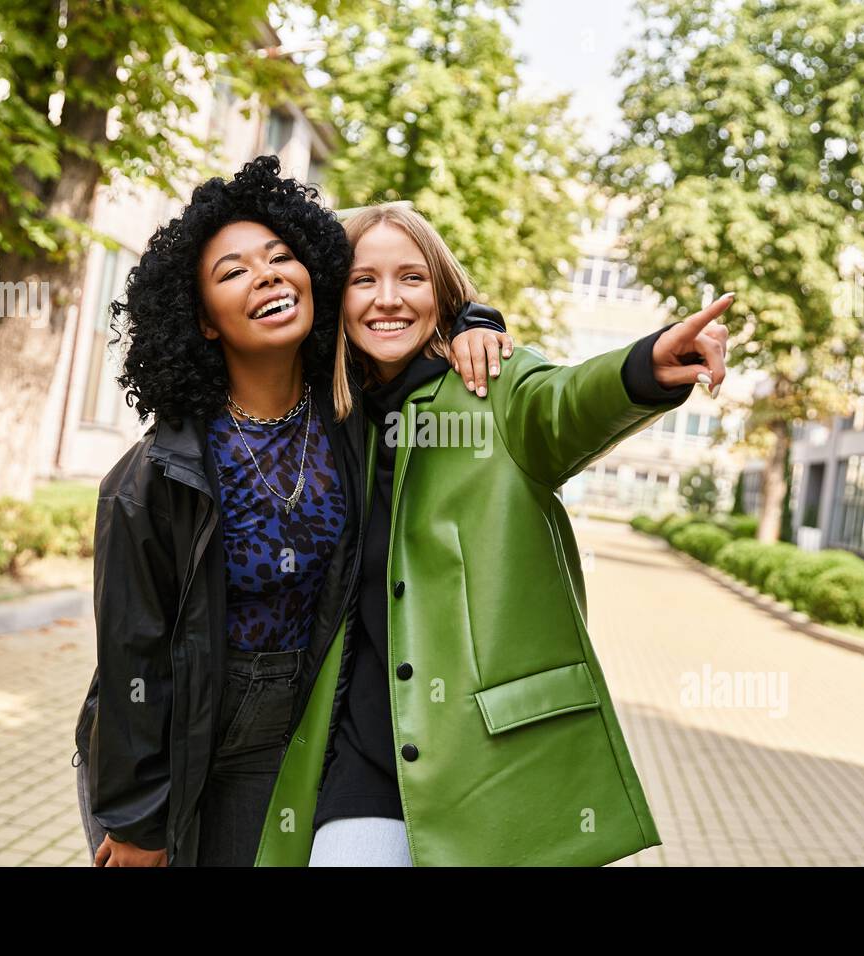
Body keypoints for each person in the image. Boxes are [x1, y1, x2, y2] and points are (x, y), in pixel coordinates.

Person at [250, 202, 734, 866]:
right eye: (364, 280)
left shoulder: (493, 390)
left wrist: (644, 367)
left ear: (443, 293)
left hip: (487, 763)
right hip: (359, 761)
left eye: (411, 278)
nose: (387, 298)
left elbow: (565, 405)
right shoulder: (323, 416)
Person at [71, 157, 511, 866]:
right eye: (233, 272)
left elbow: (400, 300)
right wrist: (134, 821)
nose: (268, 275)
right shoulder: (155, 478)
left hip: (293, 740)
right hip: (174, 743)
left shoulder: (354, 416)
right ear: (204, 322)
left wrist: (477, 319)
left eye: (281, 258)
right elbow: (133, 659)